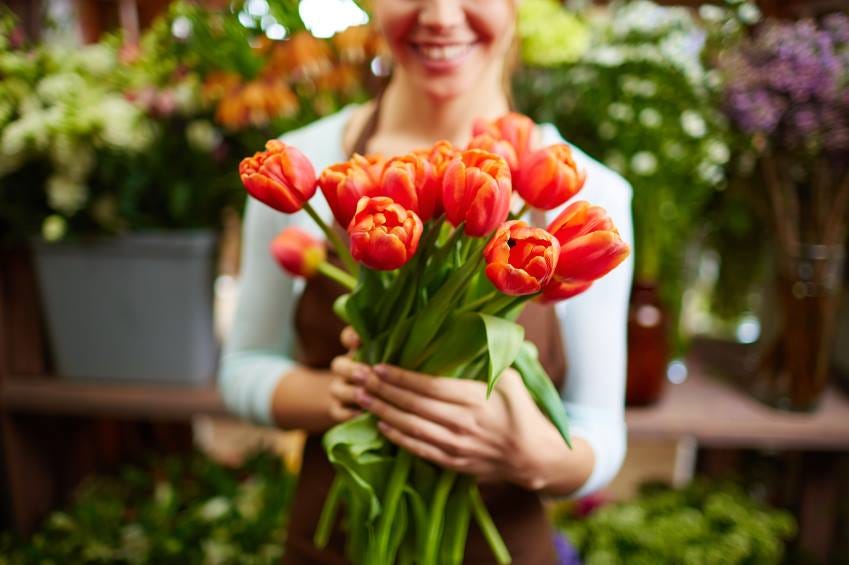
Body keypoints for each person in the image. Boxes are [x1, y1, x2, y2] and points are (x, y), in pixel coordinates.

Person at [219, 0, 634, 563]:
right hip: (336, 544)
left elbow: (599, 430)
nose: (440, 15)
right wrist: (350, 393)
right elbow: (243, 368)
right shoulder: (308, 164)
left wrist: (535, 454)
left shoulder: (589, 193)